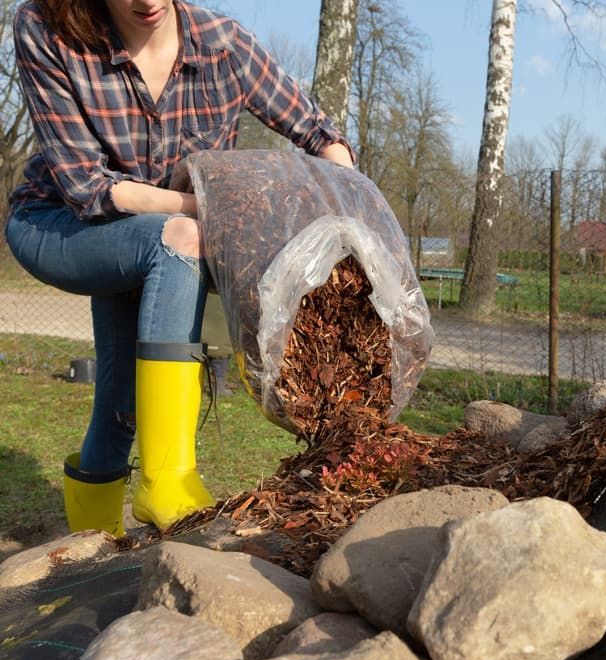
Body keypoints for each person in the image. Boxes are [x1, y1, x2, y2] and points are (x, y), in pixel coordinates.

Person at [5, 0, 355, 534]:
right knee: (182, 237)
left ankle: (88, 553)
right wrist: (220, 208)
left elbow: (319, 133)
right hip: (60, 223)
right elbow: (87, 189)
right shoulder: (47, 29)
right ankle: (167, 478)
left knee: (121, 402)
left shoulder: (223, 43)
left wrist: (351, 205)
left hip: (152, 237)